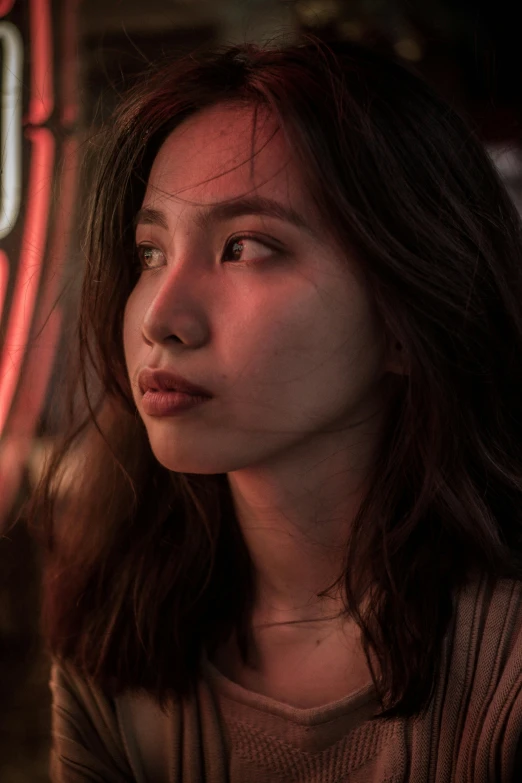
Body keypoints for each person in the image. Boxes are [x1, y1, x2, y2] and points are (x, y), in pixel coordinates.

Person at [27, 35, 522, 782]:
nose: (162, 315)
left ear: (406, 316)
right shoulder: (116, 635)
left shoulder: (504, 668)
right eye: (149, 253)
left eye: (246, 247)